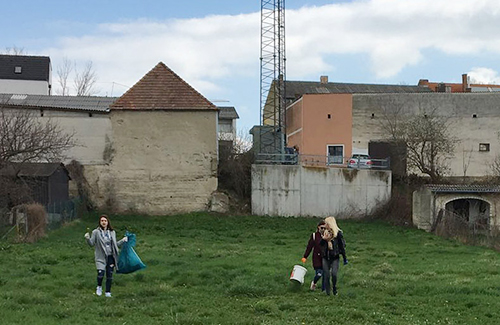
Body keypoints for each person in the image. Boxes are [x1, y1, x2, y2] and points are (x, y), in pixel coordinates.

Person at [84, 215, 127, 297]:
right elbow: (91, 244)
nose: (104, 222)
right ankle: (99, 287)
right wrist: (87, 239)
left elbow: (115, 245)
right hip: (100, 257)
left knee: (109, 275)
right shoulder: (96, 232)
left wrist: (123, 240)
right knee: (100, 273)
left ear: (108, 222)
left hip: (111, 256)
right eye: (102, 221)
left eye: (105, 221)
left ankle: (108, 292)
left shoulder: (112, 232)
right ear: (100, 222)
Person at [320, 216, 348, 296]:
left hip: (335, 257)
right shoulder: (324, 233)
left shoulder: (338, 234)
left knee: (334, 274)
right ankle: (328, 292)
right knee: (326, 275)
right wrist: (324, 239)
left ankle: (334, 288)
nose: (325, 225)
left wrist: (344, 258)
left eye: (326, 223)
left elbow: (342, 246)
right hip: (325, 257)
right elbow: (320, 245)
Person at [301, 220, 326, 291]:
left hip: (325, 257)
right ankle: (314, 282)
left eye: (325, 228)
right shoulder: (314, 236)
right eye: (322, 228)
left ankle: (324, 289)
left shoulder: (327, 235)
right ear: (318, 227)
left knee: (325, 274)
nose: (323, 230)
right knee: (319, 273)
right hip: (317, 258)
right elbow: (309, 247)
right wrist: (305, 256)